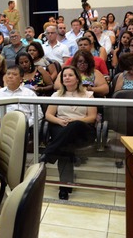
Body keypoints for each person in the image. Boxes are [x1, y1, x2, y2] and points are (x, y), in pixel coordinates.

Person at [40, 66, 97, 201]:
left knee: (74, 125)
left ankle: (48, 154)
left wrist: (74, 120)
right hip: (61, 129)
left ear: (77, 78)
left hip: (81, 130)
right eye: (64, 76)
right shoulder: (57, 95)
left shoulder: (88, 95)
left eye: (70, 75)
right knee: (65, 148)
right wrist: (59, 121)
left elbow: (92, 117)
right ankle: (64, 188)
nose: (67, 78)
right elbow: (48, 115)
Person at [0, 65, 40, 134]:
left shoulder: (30, 94)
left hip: (22, 126)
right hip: (1, 124)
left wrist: (25, 125)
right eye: (8, 74)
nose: (10, 76)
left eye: (14, 74)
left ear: (21, 78)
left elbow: (38, 114)